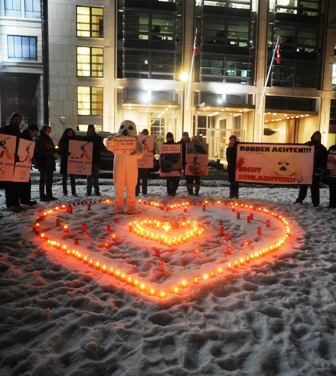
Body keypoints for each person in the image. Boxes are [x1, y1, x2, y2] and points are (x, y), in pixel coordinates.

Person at [111, 120, 143, 213]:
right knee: (118, 186)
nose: (125, 130)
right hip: (119, 165)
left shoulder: (136, 140)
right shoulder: (116, 138)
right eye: (122, 127)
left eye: (129, 128)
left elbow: (140, 153)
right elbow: (108, 145)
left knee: (131, 186)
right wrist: (108, 141)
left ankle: (131, 207)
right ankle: (118, 207)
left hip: (131, 166)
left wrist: (135, 154)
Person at [295, 131, 328, 207]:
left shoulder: (322, 148)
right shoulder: (307, 145)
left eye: (318, 136)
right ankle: (300, 199)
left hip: (315, 170)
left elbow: (324, 160)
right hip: (306, 169)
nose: (316, 137)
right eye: (315, 135)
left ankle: (315, 202)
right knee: (303, 186)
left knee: (315, 188)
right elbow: (299, 153)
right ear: (312, 136)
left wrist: (320, 169)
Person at [0, 112, 23, 211]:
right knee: (9, 183)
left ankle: (16, 202)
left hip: (16, 159)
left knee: (16, 183)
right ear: (12, 119)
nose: (17, 121)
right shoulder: (6, 129)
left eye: (19, 120)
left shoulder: (18, 131)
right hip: (8, 160)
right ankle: (10, 203)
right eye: (16, 119)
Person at [19, 123, 39, 205]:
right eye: (35, 132)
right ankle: (25, 199)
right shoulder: (25, 137)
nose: (35, 134)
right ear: (31, 131)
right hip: (23, 163)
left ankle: (25, 199)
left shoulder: (27, 136)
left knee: (26, 182)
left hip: (26, 162)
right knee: (25, 182)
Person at [35, 125, 56, 201]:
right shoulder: (40, 139)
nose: (49, 131)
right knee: (43, 180)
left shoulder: (48, 138)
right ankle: (42, 196)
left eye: (50, 130)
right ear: (44, 130)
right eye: (48, 130)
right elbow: (39, 151)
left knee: (50, 179)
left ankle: (49, 195)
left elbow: (52, 149)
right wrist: (49, 151)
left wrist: (52, 150)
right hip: (43, 162)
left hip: (50, 162)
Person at [85, 124, 105, 196]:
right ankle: (89, 191)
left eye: (91, 129)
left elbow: (101, 147)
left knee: (95, 177)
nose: (90, 130)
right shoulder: (87, 137)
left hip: (95, 159)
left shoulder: (96, 138)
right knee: (89, 177)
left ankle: (96, 191)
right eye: (89, 129)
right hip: (88, 159)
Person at [58, 128, 77, 197]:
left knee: (72, 178)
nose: (70, 134)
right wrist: (66, 154)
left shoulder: (74, 139)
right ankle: (65, 192)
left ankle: (73, 192)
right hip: (65, 161)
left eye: (71, 133)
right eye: (69, 132)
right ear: (66, 133)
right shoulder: (63, 140)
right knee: (65, 178)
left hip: (73, 161)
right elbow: (59, 151)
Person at [164, 132, 180, 196]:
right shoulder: (164, 144)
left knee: (174, 179)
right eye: (168, 137)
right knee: (169, 179)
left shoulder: (176, 145)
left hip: (174, 164)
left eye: (170, 137)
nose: (169, 138)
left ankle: (173, 190)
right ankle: (169, 191)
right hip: (167, 164)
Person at [136, 128, 151, 196]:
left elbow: (151, 150)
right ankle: (138, 191)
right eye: (145, 134)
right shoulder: (137, 139)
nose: (146, 135)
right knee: (138, 178)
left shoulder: (150, 140)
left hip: (145, 163)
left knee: (143, 178)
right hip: (139, 162)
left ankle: (142, 191)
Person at [226, 135, 239, 199]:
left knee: (236, 182)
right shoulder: (228, 149)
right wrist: (230, 148)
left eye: (234, 139)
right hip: (231, 167)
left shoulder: (239, 147)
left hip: (237, 167)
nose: (232, 141)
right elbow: (228, 159)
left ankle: (236, 194)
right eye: (231, 139)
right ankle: (231, 194)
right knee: (231, 182)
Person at [325, 143, 336, 208]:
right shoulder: (331, 147)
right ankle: (331, 204)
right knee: (332, 190)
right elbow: (326, 158)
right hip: (331, 173)